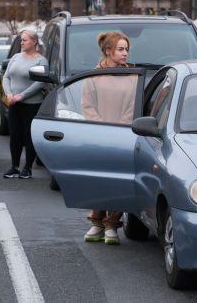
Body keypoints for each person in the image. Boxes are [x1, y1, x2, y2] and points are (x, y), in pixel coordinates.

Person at [81, 31, 137, 245]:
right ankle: (96, 221)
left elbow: (133, 106)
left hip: (123, 135)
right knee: (99, 179)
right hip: (98, 135)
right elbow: (87, 106)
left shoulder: (133, 76)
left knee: (118, 181)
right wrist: (100, 128)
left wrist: (119, 128)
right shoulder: (93, 76)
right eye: (121, 49)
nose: (125, 53)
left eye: (126, 49)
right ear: (108, 51)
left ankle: (112, 224)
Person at [2, 29, 49, 179]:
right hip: (14, 103)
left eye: (25, 40)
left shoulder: (41, 60)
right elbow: (6, 77)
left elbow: (40, 82)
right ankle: (14, 166)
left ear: (34, 42)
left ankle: (27, 168)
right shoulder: (15, 57)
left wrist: (22, 95)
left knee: (29, 136)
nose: (21, 42)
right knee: (15, 135)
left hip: (31, 104)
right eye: (21, 40)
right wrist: (9, 94)